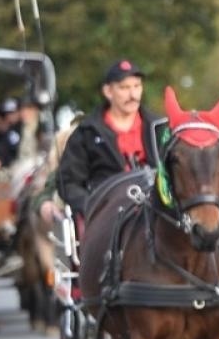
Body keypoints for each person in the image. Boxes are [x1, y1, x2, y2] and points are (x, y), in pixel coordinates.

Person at [54, 59, 160, 220]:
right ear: (108, 91)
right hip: (108, 212)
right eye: (124, 88)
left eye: (137, 86)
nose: (132, 95)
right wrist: (91, 206)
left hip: (156, 209)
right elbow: (68, 182)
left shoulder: (159, 127)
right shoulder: (87, 132)